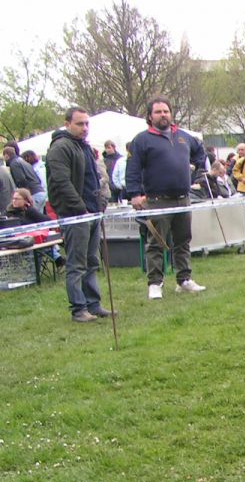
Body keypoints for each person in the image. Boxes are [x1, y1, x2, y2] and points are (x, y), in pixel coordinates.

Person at [126, 96, 207, 300]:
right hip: (157, 200)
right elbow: (133, 169)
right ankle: (155, 283)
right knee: (156, 243)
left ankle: (184, 280)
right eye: (158, 112)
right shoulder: (142, 140)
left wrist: (194, 168)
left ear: (171, 113)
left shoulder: (183, 136)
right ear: (149, 116)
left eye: (166, 111)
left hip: (183, 198)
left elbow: (200, 152)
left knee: (183, 240)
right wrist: (134, 194)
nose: (163, 115)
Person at [46, 107, 115, 322]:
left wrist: (100, 203)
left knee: (92, 260)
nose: (84, 128)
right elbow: (61, 182)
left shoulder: (83, 147)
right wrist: (80, 208)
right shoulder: (60, 148)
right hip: (75, 214)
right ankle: (78, 309)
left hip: (92, 212)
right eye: (79, 124)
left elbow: (95, 178)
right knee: (77, 263)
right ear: (67, 124)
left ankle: (93, 305)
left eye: (87, 124)